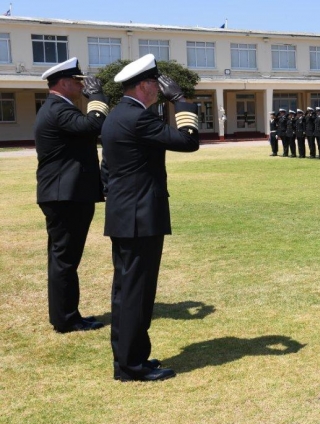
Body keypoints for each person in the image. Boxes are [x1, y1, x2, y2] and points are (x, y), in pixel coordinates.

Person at [101, 54, 200, 381]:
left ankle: (131, 358)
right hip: (139, 217)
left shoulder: (117, 115)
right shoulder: (138, 119)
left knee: (128, 290)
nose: (160, 89)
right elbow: (188, 141)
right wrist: (181, 101)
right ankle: (131, 366)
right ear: (143, 85)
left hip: (126, 213)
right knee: (136, 293)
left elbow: (107, 168)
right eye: (156, 84)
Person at [34, 57, 108, 334]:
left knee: (64, 258)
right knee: (64, 259)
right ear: (64, 83)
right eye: (78, 81)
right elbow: (93, 125)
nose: (82, 85)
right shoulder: (58, 109)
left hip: (66, 194)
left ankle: (68, 314)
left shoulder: (57, 107)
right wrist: (98, 96)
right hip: (65, 196)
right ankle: (66, 318)